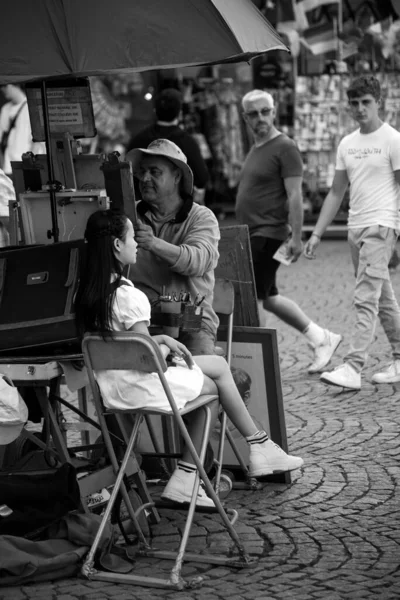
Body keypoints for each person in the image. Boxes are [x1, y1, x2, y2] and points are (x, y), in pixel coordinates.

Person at [75, 210, 304, 507]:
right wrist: (167, 346)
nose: (136, 244)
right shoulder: (129, 297)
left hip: (113, 389)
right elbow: (148, 359)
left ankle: (254, 448)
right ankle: (197, 472)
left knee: (217, 370)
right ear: (118, 245)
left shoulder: (89, 294)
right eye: (132, 237)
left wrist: (162, 339)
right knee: (212, 389)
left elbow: (122, 342)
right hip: (141, 386)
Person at [236, 89, 341, 374]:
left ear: (274, 111)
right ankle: (321, 338)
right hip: (253, 234)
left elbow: (294, 195)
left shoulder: (285, 147)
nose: (260, 118)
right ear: (245, 118)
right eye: (253, 113)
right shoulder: (258, 148)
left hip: (268, 233)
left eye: (264, 111)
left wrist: (296, 237)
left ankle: (254, 366)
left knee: (254, 297)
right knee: (268, 297)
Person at [305, 75, 400, 390]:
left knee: (365, 298)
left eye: (366, 103)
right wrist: (317, 233)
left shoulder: (393, 140)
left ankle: (354, 365)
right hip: (354, 230)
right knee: (382, 299)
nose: (360, 109)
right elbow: (336, 192)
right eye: (355, 103)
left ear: (379, 102)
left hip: (381, 227)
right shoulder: (347, 143)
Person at [126, 138, 218, 356]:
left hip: (191, 315)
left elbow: (197, 261)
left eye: (155, 172)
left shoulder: (201, 217)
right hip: (142, 317)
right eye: (142, 172)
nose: (145, 178)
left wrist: (153, 243)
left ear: (177, 176)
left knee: (196, 374)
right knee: (123, 374)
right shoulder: (129, 215)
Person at [126, 88, 209, 196]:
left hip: (139, 204)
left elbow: (126, 175)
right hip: (175, 207)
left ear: (155, 111)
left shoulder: (138, 139)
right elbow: (201, 178)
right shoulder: (187, 141)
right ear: (179, 113)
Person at [0, 84, 43, 178]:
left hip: (28, 165)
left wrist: (31, 163)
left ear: (15, 84)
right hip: (8, 166)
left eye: (4, 85)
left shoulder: (32, 106)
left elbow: (38, 141)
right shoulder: (5, 109)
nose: (2, 89)